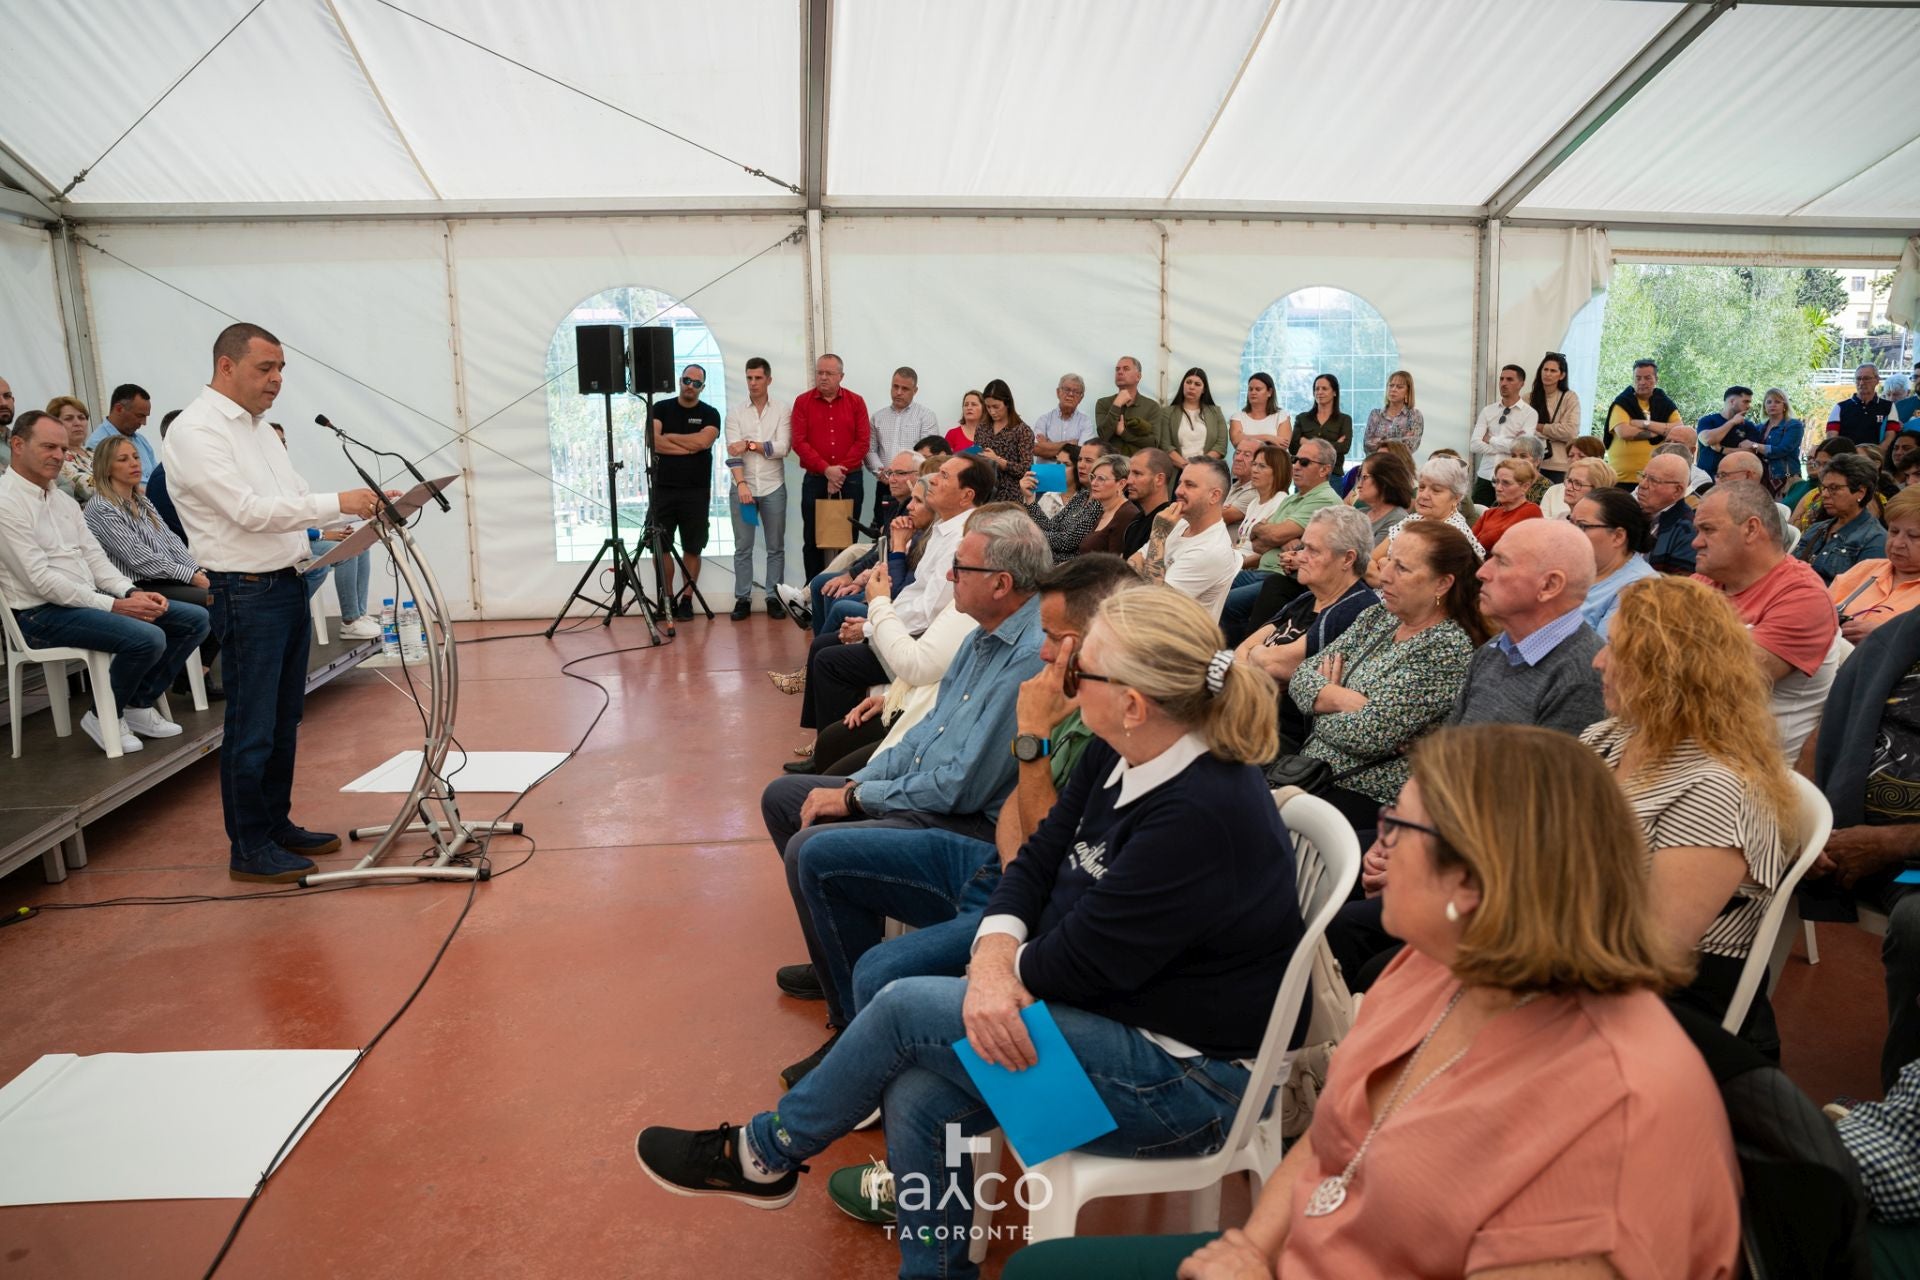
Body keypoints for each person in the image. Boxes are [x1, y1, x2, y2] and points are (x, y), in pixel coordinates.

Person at [640, 585, 1305, 1280]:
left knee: (901, 1007)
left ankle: (763, 1153)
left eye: (1082, 671)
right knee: (921, 1093)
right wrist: (992, 961)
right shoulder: (1127, 748)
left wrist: (992, 973)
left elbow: (1080, 963)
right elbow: (1038, 859)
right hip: (1116, 1026)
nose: (1061, 678)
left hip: (1185, 1089)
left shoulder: (1201, 813)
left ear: (1133, 701)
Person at [1007, 725, 1742, 1280]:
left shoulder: (1612, 1123)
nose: (1379, 842)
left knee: (934, 1020)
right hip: (1297, 1249)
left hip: (1192, 1095)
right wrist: (1253, 1247)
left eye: (1401, 826)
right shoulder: (1433, 966)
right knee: (961, 1070)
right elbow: (1335, 1144)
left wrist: (992, 965)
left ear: (1473, 884)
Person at [780, 554, 1139, 1111]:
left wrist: (1001, 949)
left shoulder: (1158, 765)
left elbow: (1080, 903)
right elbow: (1028, 839)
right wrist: (1006, 918)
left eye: (1058, 639)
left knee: (892, 986)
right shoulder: (1093, 717)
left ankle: (790, 1135)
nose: (1042, 652)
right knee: (822, 855)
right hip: (1016, 879)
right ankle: (811, 1117)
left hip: (1145, 1044)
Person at [755, 509, 1050, 1060]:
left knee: (813, 847)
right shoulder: (982, 637)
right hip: (932, 793)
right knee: (785, 799)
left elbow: (961, 787)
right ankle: (836, 955)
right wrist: (856, 785)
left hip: (967, 825)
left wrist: (857, 797)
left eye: (959, 568)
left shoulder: (1030, 655)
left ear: (1001, 583)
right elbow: (925, 737)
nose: (946, 576)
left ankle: (852, 1027)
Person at [165, 323, 380, 882]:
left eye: (281, 369)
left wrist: (354, 510)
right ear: (226, 366)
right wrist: (339, 501)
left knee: (285, 719)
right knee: (252, 724)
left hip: (284, 583)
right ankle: (250, 846)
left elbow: (289, 499)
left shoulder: (259, 430)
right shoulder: (197, 431)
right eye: (266, 368)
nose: (277, 380)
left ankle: (276, 823)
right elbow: (249, 511)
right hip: (244, 590)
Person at [1584, 575, 1796, 1053]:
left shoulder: (1718, 789)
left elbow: (1649, 952)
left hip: (1665, 1009)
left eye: (1615, 648)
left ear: (1667, 669)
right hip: (1583, 957)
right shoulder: (1609, 738)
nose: (1598, 661)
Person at [0, 411, 210, 754]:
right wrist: (115, 605)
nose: (58, 455)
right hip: (40, 615)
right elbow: (40, 582)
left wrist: (132, 592)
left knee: (193, 619)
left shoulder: (63, 500)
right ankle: (104, 715)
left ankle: (136, 705)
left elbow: (96, 561)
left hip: (84, 602)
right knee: (147, 637)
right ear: (18, 445)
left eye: (63, 448)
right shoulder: (5, 503)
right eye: (49, 446)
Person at [1289, 520, 1488, 828]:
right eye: (1389, 560)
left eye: (1403, 568)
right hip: (1311, 769)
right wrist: (1341, 698)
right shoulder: (1379, 616)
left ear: (1442, 584)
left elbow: (1369, 735)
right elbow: (1302, 675)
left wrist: (1318, 703)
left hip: (1367, 796)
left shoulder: (1446, 648)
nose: (1385, 575)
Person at [1804, 605, 1920, 1088]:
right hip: (1849, 831)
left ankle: (1905, 1107)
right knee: (1742, 850)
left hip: (1911, 862)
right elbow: (1826, 727)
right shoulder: (1905, 634)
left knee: (1918, 924)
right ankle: (1735, 1048)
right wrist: (1808, 826)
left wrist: (1895, 841)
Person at [791, 456, 989, 733]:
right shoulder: (945, 529)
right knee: (825, 644)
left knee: (829, 661)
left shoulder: (961, 539)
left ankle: (832, 744)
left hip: (922, 640)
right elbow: (913, 593)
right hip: (909, 626)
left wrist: (871, 627)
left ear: (967, 495)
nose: (933, 479)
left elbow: (927, 612)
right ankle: (823, 741)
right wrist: (874, 623)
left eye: (943, 476)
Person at [1692, 481, 1841, 760]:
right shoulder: (1709, 577)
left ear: (1751, 528)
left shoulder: (1803, 596)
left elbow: (1720, 681)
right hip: (1700, 750)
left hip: (1753, 772)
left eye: (1708, 530)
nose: (1696, 542)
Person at [1236, 505, 1377, 755]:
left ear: (1347, 559)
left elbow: (1273, 664)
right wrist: (1259, 662)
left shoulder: (1355, 608)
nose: (1301, 556)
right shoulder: (1307, 599)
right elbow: (1242, 650)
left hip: (1283, 738)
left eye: (1312, 550)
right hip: (1249, 716)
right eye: (1302, 547)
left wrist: (1258, 657)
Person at [1450, 519, 1606, 736]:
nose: (1482, 572)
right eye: (1491, 558)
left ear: (1549, 585)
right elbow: (1446, 748)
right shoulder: (1494, 649)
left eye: (1502, 562)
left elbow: (1551, 770)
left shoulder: (1584, 676)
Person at [1219, 438, 1340, 636]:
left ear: (1324, 470)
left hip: (1280, 577)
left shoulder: (1325, 498)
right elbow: (1257, 542)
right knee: (1212, 585)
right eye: (1295, 460)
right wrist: (1278, 536)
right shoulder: (1292, 499)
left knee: (1227, 602)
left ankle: (1234, 658)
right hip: (1260, 570)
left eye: (1304, 462)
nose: (1296, 466)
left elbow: (1273, 534)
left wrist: (1274, 534)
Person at [647, 362, 720, 618]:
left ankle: (687, 600)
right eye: (687, 381)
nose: (690, 386)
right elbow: (653, 442)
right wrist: (689, 447)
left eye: (696, 383)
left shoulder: (710, 413)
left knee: (693, 547)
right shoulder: (660, 408)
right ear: (680, 380)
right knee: (660, 546)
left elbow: (704, 441)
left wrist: (671, 437)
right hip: (663, 490)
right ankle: (667, 599)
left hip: (696, 491)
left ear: (702, 387)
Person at [791, 354, 870, 580]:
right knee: (813, 539)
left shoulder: (856, 402)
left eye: (829, 373)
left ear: (841, 376)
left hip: (850, 479)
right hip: (816, 479)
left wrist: (839, 472)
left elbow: (862, 441)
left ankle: (844, 588)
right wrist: (827, 470)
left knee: (847, 539)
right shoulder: (803, 402)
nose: (823, 377)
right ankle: (810, 594)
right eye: (819, 372)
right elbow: (799, 442)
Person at [1130, 458, 1240, 622]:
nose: (1178, 491)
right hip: (1143, 624)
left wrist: (1158, 535)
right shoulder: (1179, 523)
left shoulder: (1211, 550)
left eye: (1190, 485)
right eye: (1180, 482)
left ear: (1214, 496)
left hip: (1172, 641)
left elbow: (1154, 607)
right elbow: (1133, 561)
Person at [724, 356, 791, 621]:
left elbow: (783, 448)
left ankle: (773, 597)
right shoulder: (736, 413)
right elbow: (732, 453)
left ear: (769, 380)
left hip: (773, 487)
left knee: (775, 546)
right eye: (749, 378)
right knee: (744, 547)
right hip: (744, 490)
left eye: (758, 378)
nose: (753, 383)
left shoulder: (782, 410)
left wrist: (750, 444)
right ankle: (743, 598)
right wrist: (741, 484)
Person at [1365, 455, 1484, 584]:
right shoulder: (1412, 520)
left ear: (1456, 498)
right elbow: (1368, 561)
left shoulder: (1453, 535)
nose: (1424, 495)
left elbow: (1420, 585)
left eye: (1436, 490)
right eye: (1422, 487)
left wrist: (1383, 569)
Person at [1829, 486, 1920, 642]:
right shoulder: (1866, 568)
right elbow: (1820, 611)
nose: (1897, 543)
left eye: (1913, 536)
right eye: (1894, 531)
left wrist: (1888, 637)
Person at [1573, 487, 1660, 638]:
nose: (1571, 532)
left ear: (1618, 536)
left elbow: (1603, 656)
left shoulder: (1640, 589)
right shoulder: (1574, 568)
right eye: (1571, 522)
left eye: (1582, 526)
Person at [1796, 452, 1887, 584]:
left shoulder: (1875, 539)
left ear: (1861, 492)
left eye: (1834, 488)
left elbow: (1863, 594)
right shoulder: (1817, 528)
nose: (1825, 495)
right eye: (1824, 488)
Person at [1604, 358, 1683, 490]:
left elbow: (1679, 429)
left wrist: (1644, 423)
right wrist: (1659, 431)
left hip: (1654, 478)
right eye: (1638, 378)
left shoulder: (1664, 403)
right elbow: (1624, 432)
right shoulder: (1623, 402)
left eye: (1647, 378)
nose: (1642, 382)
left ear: (1656, 379)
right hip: (1620, 479)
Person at [1467, 364, 1538, 507]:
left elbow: (1521, 449)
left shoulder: (1530, 414)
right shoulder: (1488, 411)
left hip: (1511, 478)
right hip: (1486, 475)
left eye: (1510, 379)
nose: (1504, 383)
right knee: (1478, 517)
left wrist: (1491, 439)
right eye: (1502, 379)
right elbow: (1474, 445)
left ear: (1521, 384)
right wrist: (1508, 446)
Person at [1021, 440, 1102, 557]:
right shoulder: (1083, 496)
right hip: (1048, 560)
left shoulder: (1099, 501)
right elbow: (1051, 526)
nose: (1081, 465)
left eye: (1088, 460)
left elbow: (1067, 541)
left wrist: (1029, 534)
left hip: (1067, 568)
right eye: (1080, 460)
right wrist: (1029, 499)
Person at [864, 366, 939, 482]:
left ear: (915, 391)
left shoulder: (926, 416)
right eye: (895, 387)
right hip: (885, 483)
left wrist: (907, 474)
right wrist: (880, 471)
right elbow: (870, 450)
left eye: (905, 389)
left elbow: (928, 454)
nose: (898, 392)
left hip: (914, 484)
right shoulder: (877, 417)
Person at [972, 378, 1033, 505]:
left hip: (1009, 496)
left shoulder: (1022, 430)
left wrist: (999, 461)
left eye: (996, 407)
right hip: (983, 494)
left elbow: (1027, 469)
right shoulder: (982, 427)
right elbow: (976, 454)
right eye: (988, 407)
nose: (992, 411)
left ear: (1008, 403)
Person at [1636, 452, 1697, 574]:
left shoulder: (1687, 530)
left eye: (1653, 480)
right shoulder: (1631, 515)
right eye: (1643, 476)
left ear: (1677, 490)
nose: (1642, 484)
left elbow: (1677, 586)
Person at [1153, 367, 1227, 467]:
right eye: (1188, 382)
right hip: (1177, 471)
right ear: (1183, 385)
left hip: (1207, 470)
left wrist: (1198, 466)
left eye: (1197, 384)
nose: (1191, 387)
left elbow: (1221, 446)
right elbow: (1165, 445)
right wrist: (1185, 466)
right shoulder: (1167, 412)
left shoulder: (1216, 412)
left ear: (1204, 389)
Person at [1528, 351, 1582, 483]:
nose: (1547, 374)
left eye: (1553, 371)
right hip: (1530, 463)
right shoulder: (1528, 398)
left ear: (1562, 375)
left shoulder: (1569, 397)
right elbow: (1522, 431)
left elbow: (1571, 432)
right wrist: (1555, 430)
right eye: (1545, 369)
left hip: (1558, 465)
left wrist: (1541, 427)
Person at [1073, 454, 1140, 558]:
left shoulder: (1126, 514)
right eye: (1093, 477)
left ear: (1121, 484)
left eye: (1101, 479)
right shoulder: (1105, 510)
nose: (1094, 483)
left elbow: (1114, 565)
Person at [1470, 456, 1542, 552]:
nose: (1498, 488)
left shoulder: (1531, 511)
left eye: (1506, 483)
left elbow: (1499, 541)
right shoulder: (1490, 513)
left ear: (1525, 487)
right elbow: (1468, 543)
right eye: (1496, 482)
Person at [1094, 355, 1159, 457]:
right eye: (1117, 369)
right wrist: (1117, 404)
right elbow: (1103, 436)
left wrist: (1123, 433)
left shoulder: (1151, 406)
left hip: (1139, 466)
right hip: (1109, 464)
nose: (1120, 372)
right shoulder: (1103, 403)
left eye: (1126, 369)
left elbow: (1153, 443)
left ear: (1138, 376)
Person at [85, 383, 156, 477]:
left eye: (146, 417)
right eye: (140, 416)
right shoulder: (98, 444)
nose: (144, 422)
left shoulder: (141, 440)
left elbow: (156, 476)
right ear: (119, 409)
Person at [1347, 448, 1414, 546]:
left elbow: (1367, 558)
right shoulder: (1361, 513)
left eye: (1364, 477)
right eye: (1359, 478)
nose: (1359, 485)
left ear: (1384, 481)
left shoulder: (1397, 519)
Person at [1119, 447, 1178, 558]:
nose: (1129, 481)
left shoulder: (1170, 523)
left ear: (1159, 479)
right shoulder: (1135, 521)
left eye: (1137, 474)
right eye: (1129, 474)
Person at [1698, 385, 1762, 481]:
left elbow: (1751, 452)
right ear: (1732, 402)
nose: (1749, 406)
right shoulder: (1708, 420)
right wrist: (1732, 422)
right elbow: (1707, 440)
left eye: (1749, 402)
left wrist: (1722, 449)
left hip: (1734, 480)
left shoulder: (1748, 426)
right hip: (1705, 479)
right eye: (1745, 402)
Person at [1293, 373, 1353, 467]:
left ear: (1334, 392)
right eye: (1317, 389)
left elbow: (1344, 448)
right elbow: (1293, 447)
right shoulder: (1302, 418)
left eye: (1324, 389)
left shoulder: (1345, 420)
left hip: (1333, 473)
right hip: (1305, 470)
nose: (1319, 392)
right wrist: (1334, 444)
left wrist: (1307, 443)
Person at [1829, 363, 1894, 448]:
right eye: (1858, 378)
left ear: (1877, 380)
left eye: (1867, 378)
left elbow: (1890, 437)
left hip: (1875, 458)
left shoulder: (1889, 407)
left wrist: (1874, 454)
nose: (1862, 382)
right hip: (1847, 458)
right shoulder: (1840, 408)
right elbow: (1832, 438)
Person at [1030, 373, 1094, 459]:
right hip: (1045, 470)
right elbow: (1036, 449)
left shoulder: (1086, 422)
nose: (1071, 394)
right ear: (1058, 392)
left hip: (1070, 472)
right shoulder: (1043, 420)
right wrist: (1069, 444)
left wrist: (1048, 446)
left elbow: (1081, 453)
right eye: (1067, 389)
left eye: (1076, 392)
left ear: (1081, 398)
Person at [47, 395, 96, 504]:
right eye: (69, 418)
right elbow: (88, 488)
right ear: (54, 424)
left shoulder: (95, 453)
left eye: (82, 417)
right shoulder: (56, 456)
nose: (77, 423)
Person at [1758, 388, 1807, 497]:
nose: (1772, 405)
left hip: (1786, 477)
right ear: (1764, 407)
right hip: (1763, 478)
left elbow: (1782, 450)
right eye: (1769, 402)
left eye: (1777, 402)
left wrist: (1755, 446)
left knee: (1786, 511)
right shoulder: (1760, 428)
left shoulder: (1794, 425)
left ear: (1785, 406)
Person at [1362, 369, 1423, 455]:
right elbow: (1367, 445)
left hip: (1401, 465)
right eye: (1391, 385)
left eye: (1399, 387)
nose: (1393, 389)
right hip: (1376, 464)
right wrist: (1399, 440)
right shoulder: (1375, 414)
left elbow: (1410, 446)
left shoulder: (1414, 415)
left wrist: (1381, 441)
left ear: (1407, 392)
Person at [1230, 371, 1291, 455]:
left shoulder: (1282, 416)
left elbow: (1281, 447)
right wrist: (1268, 438)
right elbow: (1237, 441)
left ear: (1269, 392)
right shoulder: (1237, 417)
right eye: (1250, 389)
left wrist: (1246, 438)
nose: (1253, 392)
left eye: (1258, 389)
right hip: (1246, 464)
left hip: (1273, 464)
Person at [1540, 455, 1615, 521]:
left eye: (1578, 484)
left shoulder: (1600, 527)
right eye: (1569, 481)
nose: (1568, 488)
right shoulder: (1561, 517)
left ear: (1597, 489)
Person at [943, 389, 984, 454]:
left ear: (984, 408)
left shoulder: (992, 434)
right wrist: (974, 450)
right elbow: (944, 460)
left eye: (974, 404)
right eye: (966, 405)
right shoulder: (952, 434)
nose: (969, 408)